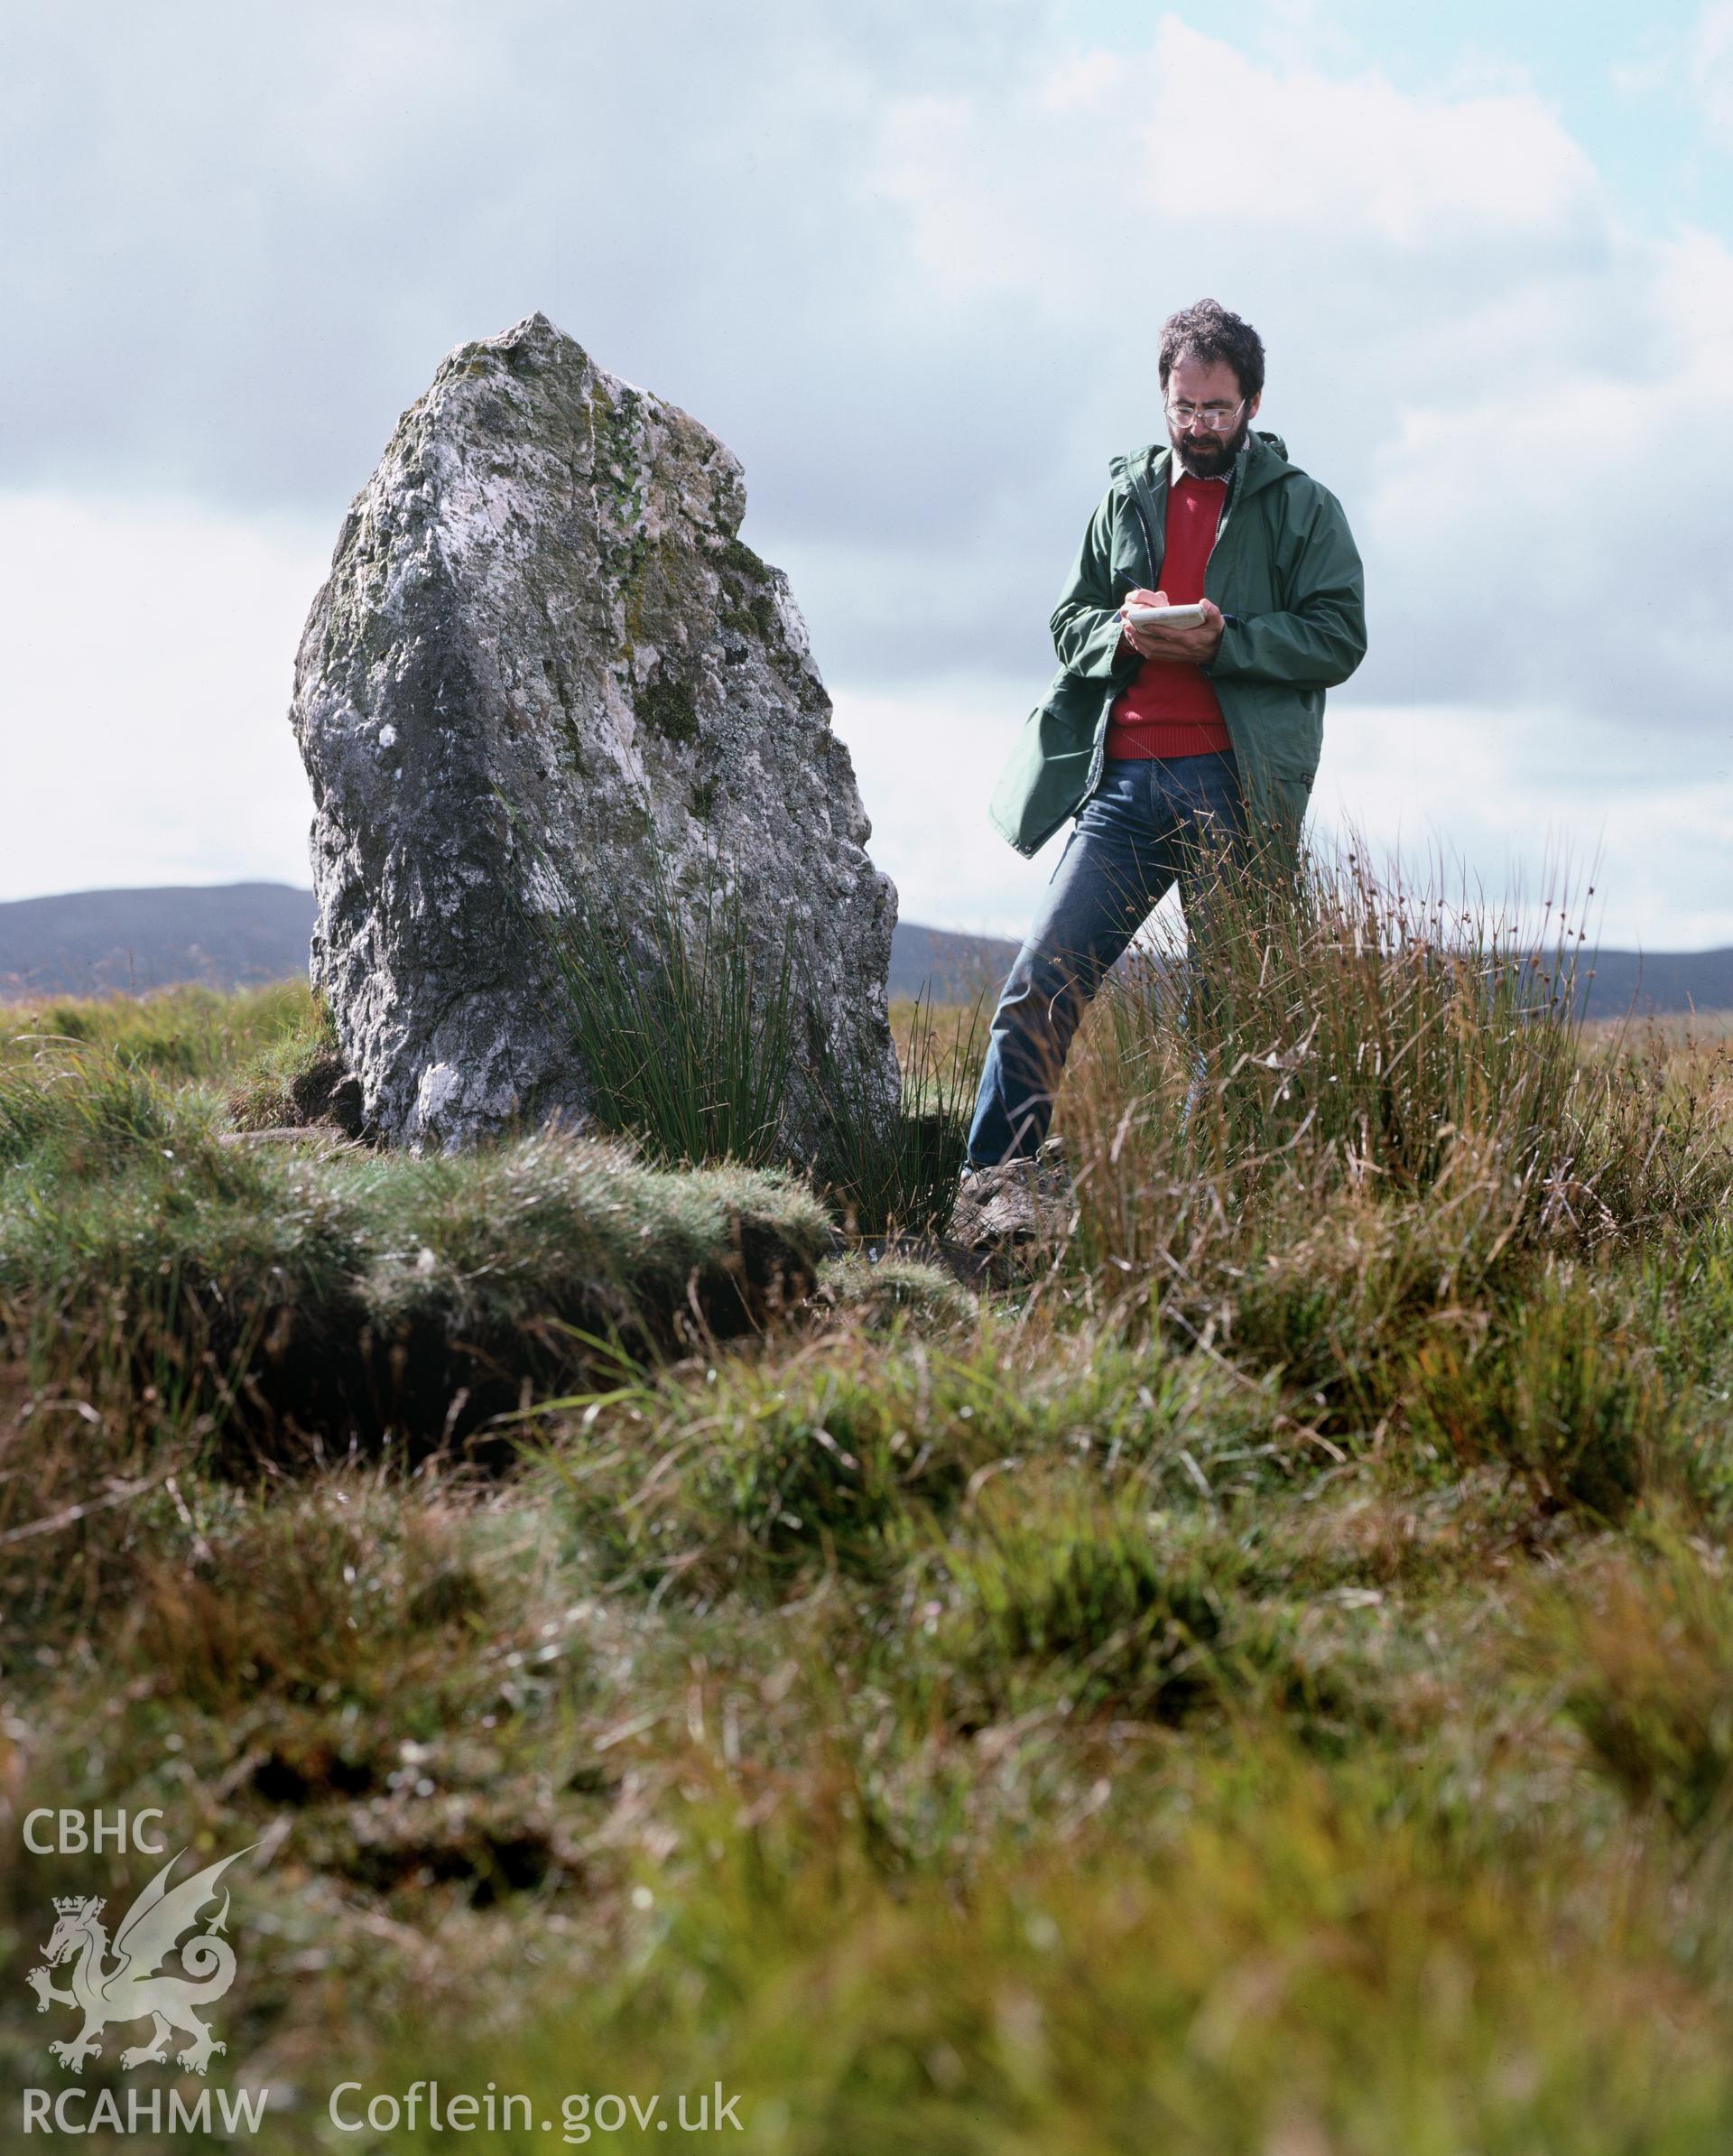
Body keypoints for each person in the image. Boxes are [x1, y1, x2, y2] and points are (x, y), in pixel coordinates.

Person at [951, 298, 1367, 1234]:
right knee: (1038, 990)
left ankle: (1208, 1216)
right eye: (1185, 408)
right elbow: (1069, 622)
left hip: (1236, 789)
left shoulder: (1304, 508)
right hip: (1124, 788)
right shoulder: (1123, 498)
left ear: (1252, 403)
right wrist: (1123, 627)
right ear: (1165, 398)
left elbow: (1340, 635)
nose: (1200, 426)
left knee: (1232, 1022)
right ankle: (989, 1204)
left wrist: (1228, 642)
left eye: (1218, 409)